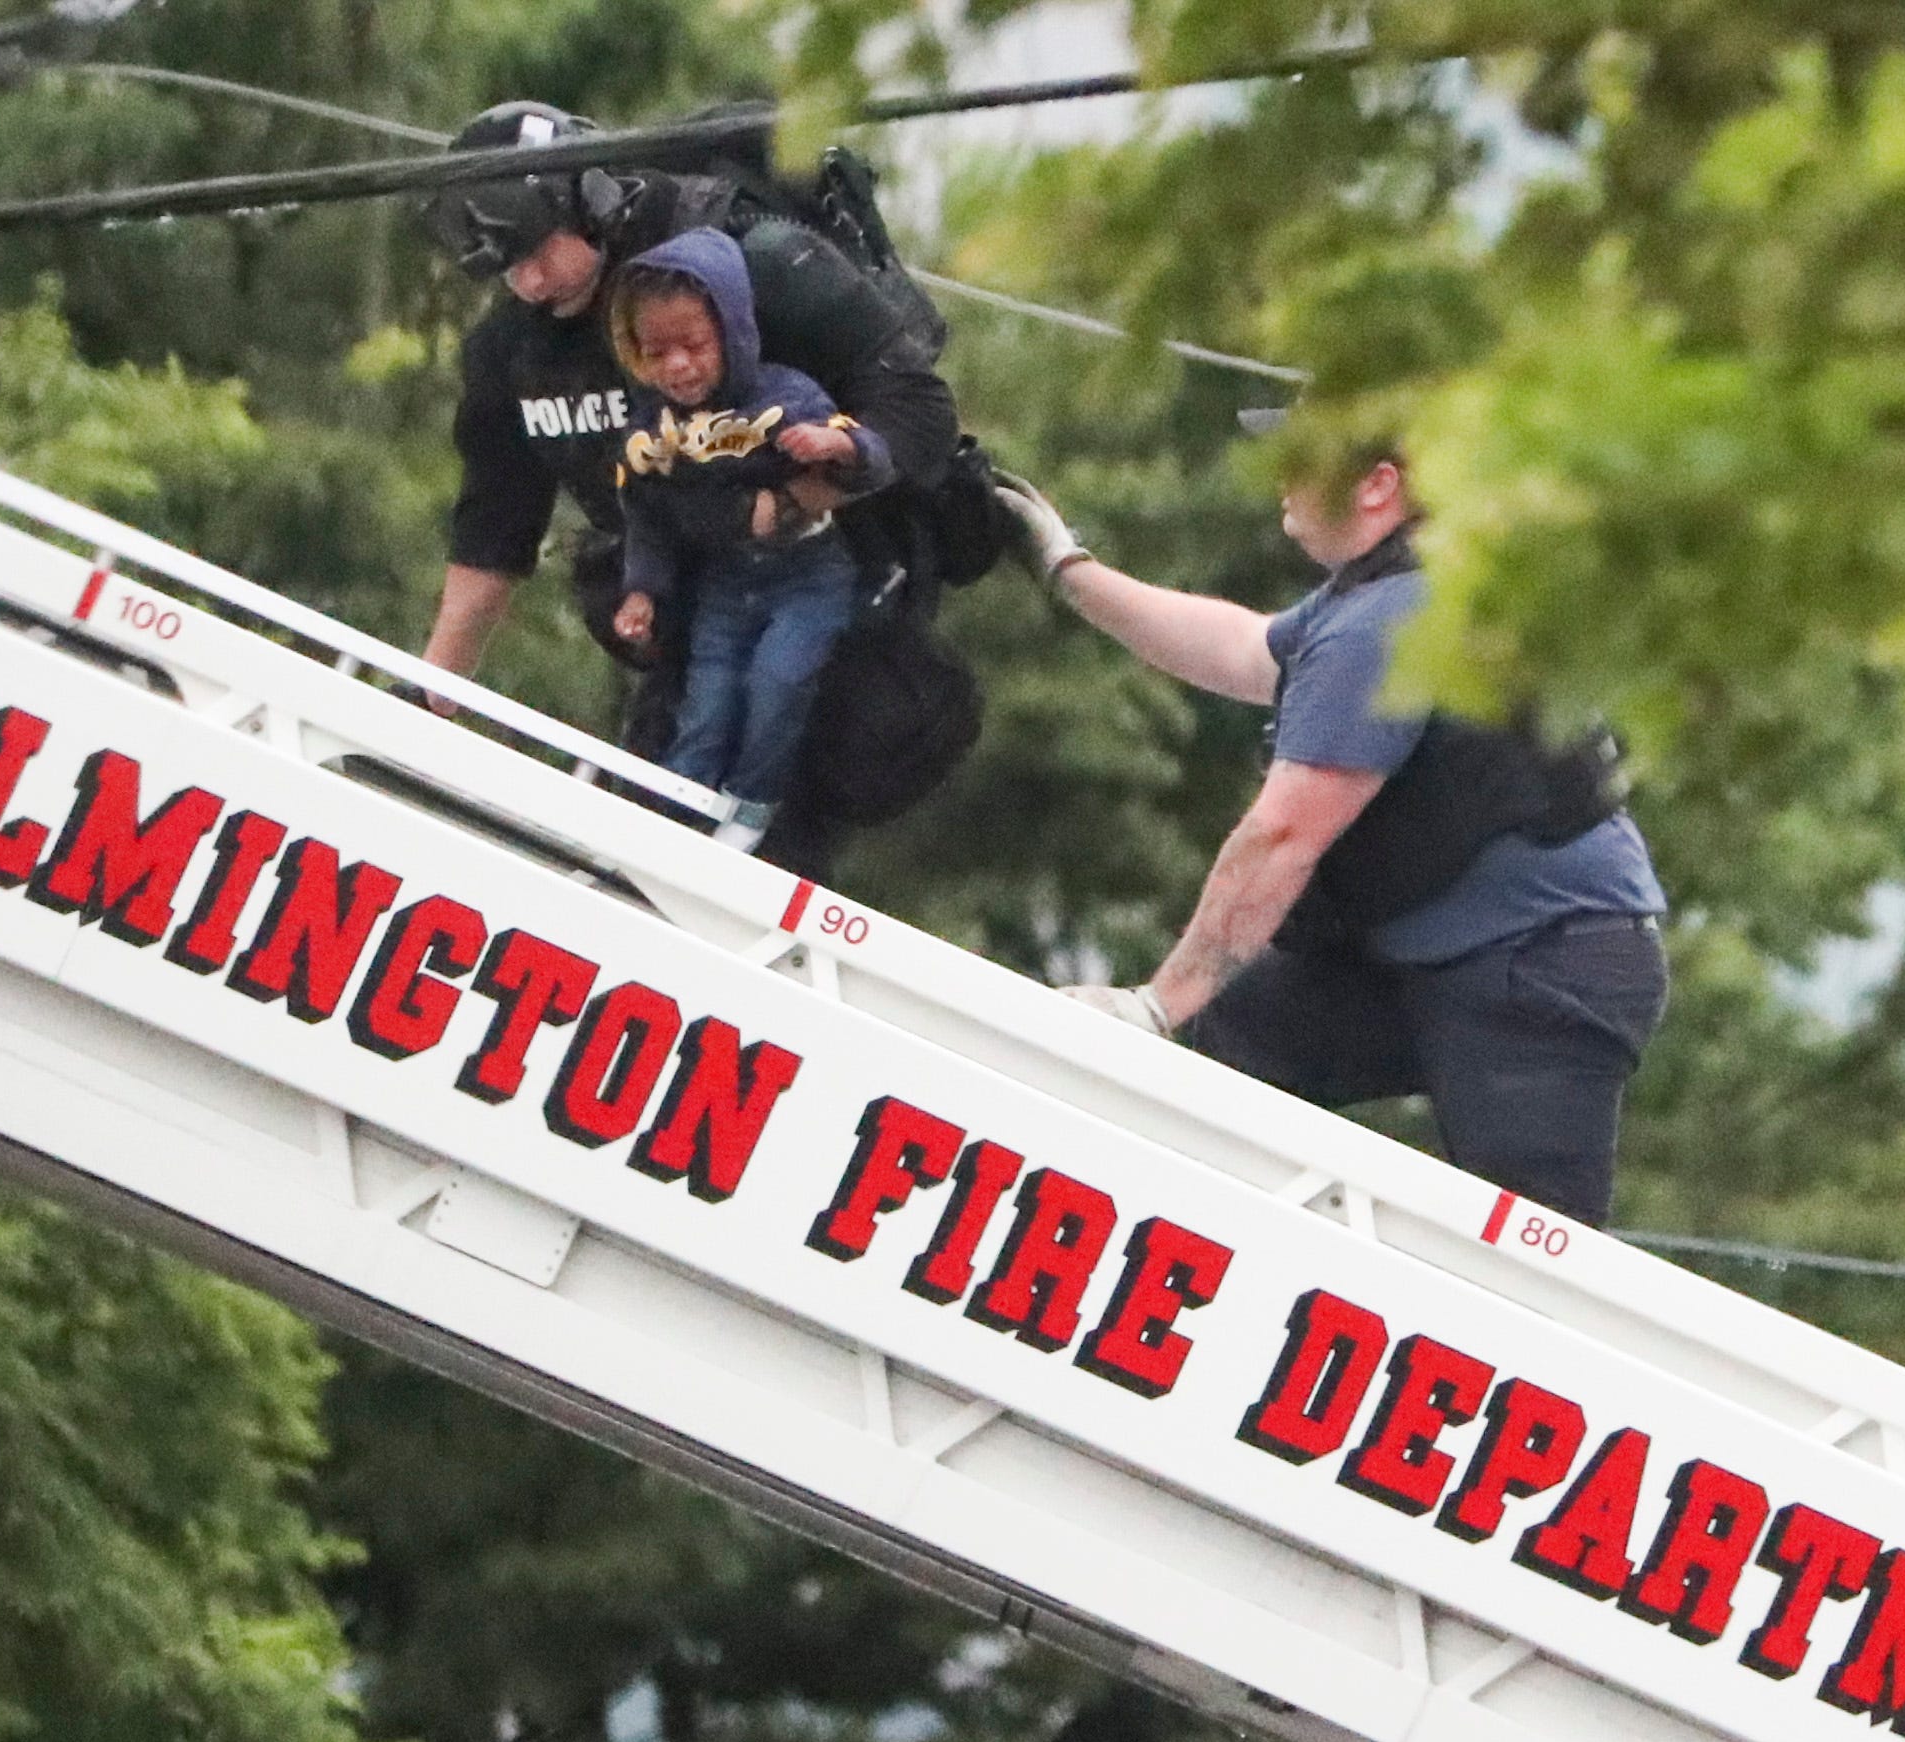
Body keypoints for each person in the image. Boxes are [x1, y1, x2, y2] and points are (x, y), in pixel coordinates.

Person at [994, 452, 1669, 1228]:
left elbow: (1280, 838)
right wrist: (1068, 568)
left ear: (1380, 485)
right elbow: (1246, 651)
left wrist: (1154, 1004)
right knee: (1226, 1049)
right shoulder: (1383, 592)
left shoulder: (1384, 621)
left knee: (1530, 1265)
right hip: (1421, 956)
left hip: (1542, 970)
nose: (1282, 469)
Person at [417, 101, 962, 876]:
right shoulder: (512, 352)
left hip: (828, 600)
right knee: (637, 850)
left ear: (591, 197)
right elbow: (490, 541)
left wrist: (797, 500)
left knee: (753, 853)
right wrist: (423, 704)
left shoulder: (753, 262)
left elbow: (920, 409)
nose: (526, 280)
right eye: (503, 265)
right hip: (691, 623)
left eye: (536, 250)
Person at [606, 231, 895, 850]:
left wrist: (832, 446)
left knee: (777, 685)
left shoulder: (783, 395)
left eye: (694, 346)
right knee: (707, 703)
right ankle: (676, 818)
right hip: (725, 584)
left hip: (808, 576)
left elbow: (871, 459)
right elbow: (647, 513)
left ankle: (751, 808)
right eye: (658, 353)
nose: (678, 366)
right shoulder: (650, 426)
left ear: (731, 333)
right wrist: (642, 592)